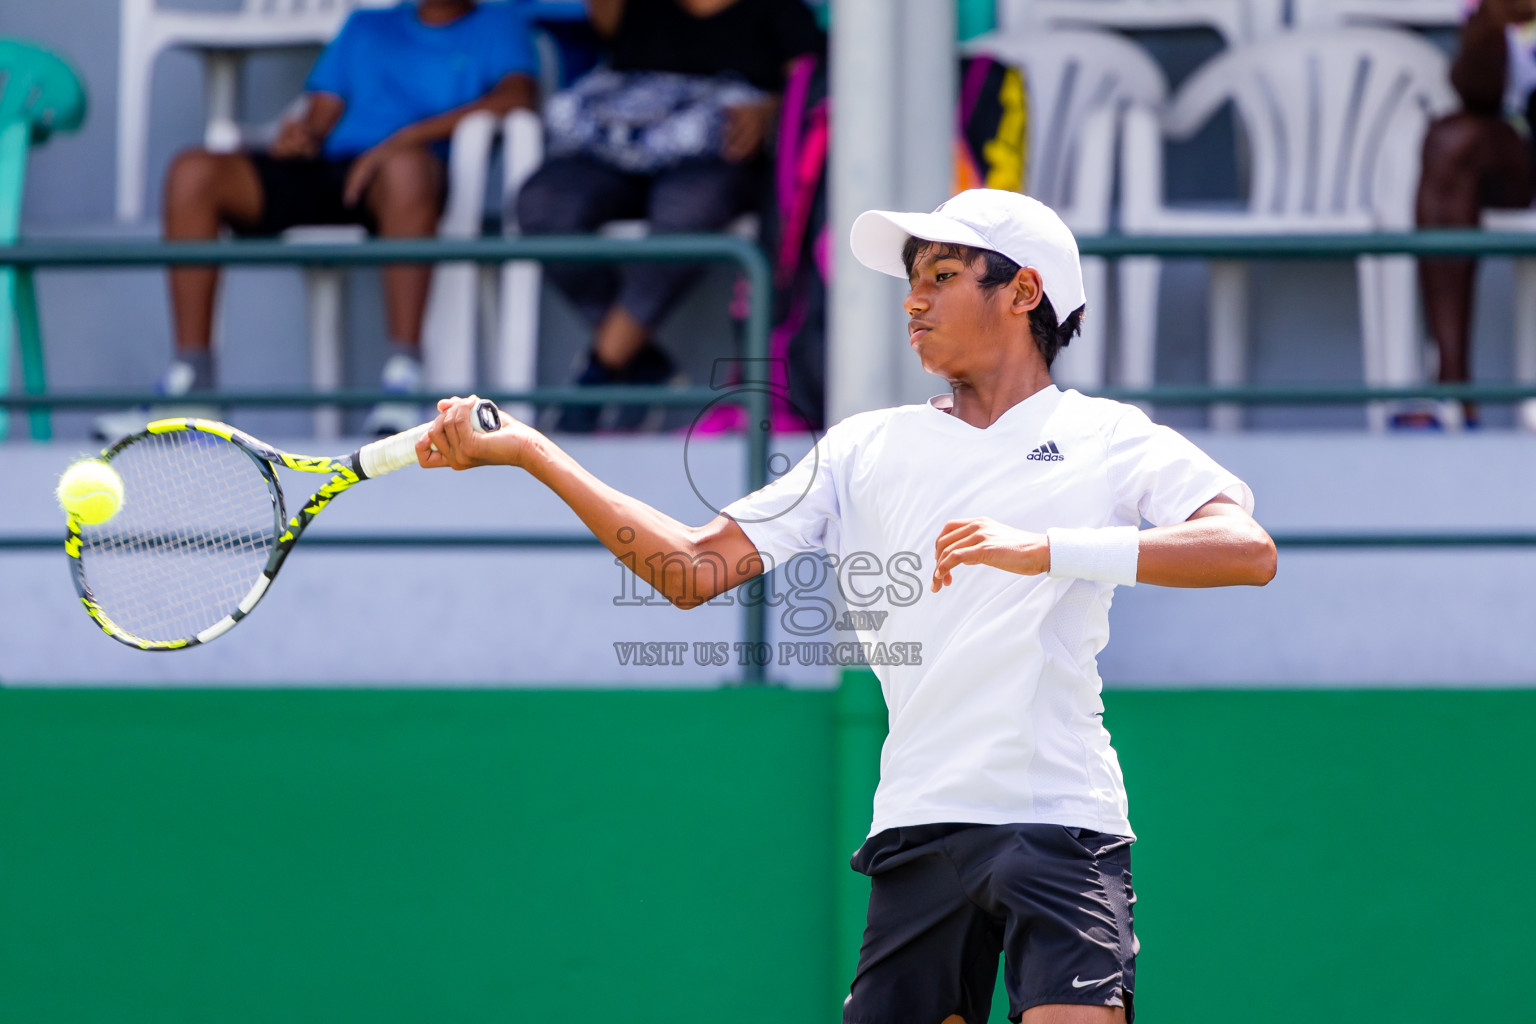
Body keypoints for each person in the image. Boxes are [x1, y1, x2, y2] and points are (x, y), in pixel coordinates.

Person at [417, 188, 1277, 1023]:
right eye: (912, 281)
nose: (914, 302)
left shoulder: (1112, 436)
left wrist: (1044, 548)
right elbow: (686, 570)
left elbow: (1246, 550)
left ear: (1022, 291)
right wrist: (531, 452)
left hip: (1058, 823)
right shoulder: (865, 445)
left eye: (942, 275)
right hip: (917, 829)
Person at [95, 0, 539, 441]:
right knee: (193, 172)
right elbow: (320, 115)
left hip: (407, 179)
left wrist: (402, 140)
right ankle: (192, 382)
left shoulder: (498, 23)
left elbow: (519, 97)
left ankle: (405, 380)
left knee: (405, 170)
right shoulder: (366, 26)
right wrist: (299, 136)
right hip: (332, 172)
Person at [515, 0, 824, 432]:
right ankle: (633, 360)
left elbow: (810, 95)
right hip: (619, 150)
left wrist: (767, 111)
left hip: (718, 157)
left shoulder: (782, 12)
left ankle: (599, 372)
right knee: (543, 204)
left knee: (686, 210)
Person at [1417, 0, 1536, 428]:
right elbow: (1476, 94)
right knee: (1450, 142)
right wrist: (1493, 20)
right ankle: (1452, 391)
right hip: (1522, 144)